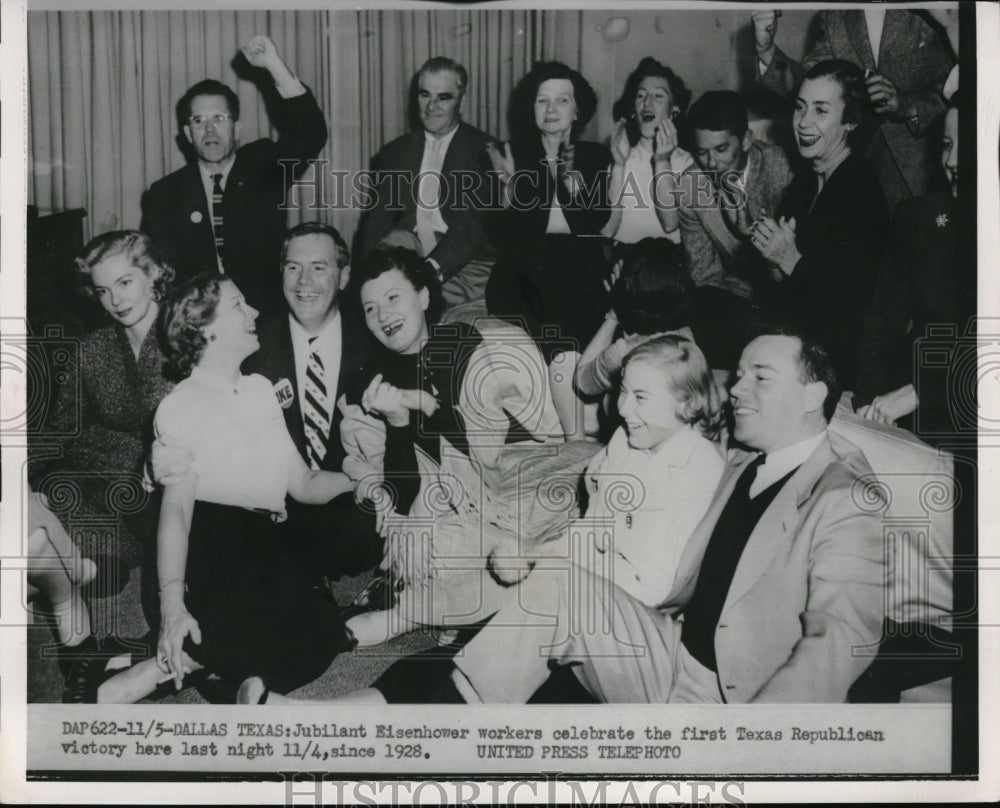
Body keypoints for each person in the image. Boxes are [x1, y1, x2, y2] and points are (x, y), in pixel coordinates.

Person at [234, 334, 725, 705]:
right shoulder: (628, 441)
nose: (621, 408)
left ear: (686, 403)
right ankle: (343, 665)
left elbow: (650, 589)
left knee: (479, 649)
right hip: (576, 586)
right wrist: (538, 555)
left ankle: (342, 687)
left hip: (623, 623)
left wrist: (546, 568)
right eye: (623, 392)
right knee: (481, 615)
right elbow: (589, 531)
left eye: (640, 397)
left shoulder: (696, 469)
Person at [63, 275, 356, 703]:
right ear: (204, 328)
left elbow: (304, 483)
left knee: (325, 627)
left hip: (265, 540)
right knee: (287, 598)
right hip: (210, 540)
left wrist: (359, 478)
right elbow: (177, 513)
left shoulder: (260, 390)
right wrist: (172, 604)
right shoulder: (181, 405)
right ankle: (149, 676)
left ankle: (189, 669)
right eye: (239, 305)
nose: (255, 312)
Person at [337, 247, 582, 647]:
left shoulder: (471, 344)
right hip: (448, 511)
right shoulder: (368, 386)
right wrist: (399, 423)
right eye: (370, 308)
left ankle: (429, 613)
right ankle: (464, 609)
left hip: (515, 487)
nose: (383, 315)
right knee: (437, 541)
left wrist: (428, 405)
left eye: (393, 297)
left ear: (423, 297)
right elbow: (401, 497)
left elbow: (510, 447)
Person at [141, 35, 328, 313]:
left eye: (219, 118)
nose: (210, 130)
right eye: (199, 121)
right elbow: (162, 273)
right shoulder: (165, 194)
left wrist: (273, 64)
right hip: (200, 317)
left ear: (237, 128)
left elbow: (311, 133)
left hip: (269, 314)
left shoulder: (264, 165)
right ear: (188, 134)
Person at [29, 231, 176, 567]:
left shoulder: (186, 338)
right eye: (102, 291)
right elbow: (61, 428)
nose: (115, 301)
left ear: (153, 273)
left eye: (124, 283)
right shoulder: (92, 348)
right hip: (86, 475)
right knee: (35, 517)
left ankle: (93, 562)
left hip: (149, 487)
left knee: (59, 545)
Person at [484, 61, 611, 439]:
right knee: (559, 309)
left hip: (578, 265)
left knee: (581, 299)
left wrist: (572, 188)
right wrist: (508, 191)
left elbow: (595, 226)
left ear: (578, 109)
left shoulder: (595, 158)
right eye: (543, 100)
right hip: (525, 270)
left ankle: (586, 414)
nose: (552, 109)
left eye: (562, 100)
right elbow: (503, 235)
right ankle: (576, 434)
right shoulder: (512, 154)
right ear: (532, 108)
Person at [750, 60, 888, 390]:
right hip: (799, 339)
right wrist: (773, 258)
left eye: (821, 110)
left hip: (838, 359)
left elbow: (850, 305)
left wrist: (789, 260)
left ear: (850, 121)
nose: (803, 122)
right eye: (800, 107)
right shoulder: (804, 183)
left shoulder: (861, 192)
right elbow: (787, 287)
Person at [752, 8, 953, 212]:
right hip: (859, 168)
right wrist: (767, 51)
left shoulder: (938, 11)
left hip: (928, 165)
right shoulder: (834, 15)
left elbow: (961, 85)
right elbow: (811, 85)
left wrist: (908, 107)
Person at [854, 95, 964, 441]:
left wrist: (921, 392)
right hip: (910, 399)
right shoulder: (918, 218)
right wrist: (868, 405)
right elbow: (882, 321)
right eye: (947, 145)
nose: (953, 161)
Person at [575, 238, 759, 431]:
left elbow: (582, 381)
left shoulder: (624, 351)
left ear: (626, 286)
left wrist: (614, 312)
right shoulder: (692, 334)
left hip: (640, 430)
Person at [358, 57, 494, 307]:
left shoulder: (485, 151)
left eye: (444, 97)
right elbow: (376, 223)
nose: (432, 106)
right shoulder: (394, 153)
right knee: (396, 242)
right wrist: (364, 276)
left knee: (403, 298)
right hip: (411, 256)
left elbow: (470, 227)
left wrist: (427, 273)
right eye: (425, 95)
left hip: (467, 266)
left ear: (462, 101)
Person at [678, 90, 794, 299]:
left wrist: (751, 236)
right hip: (733, 297)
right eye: (702, 153)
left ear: (747, 140)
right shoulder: (690, 187)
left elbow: (797, 269)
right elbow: (704, 276)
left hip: (787, 292)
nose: (711, 163)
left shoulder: (783, 169)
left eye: (721, 149)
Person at [603, 58, 693, 247]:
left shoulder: (689, 163)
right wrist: (618, 166)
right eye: (640, 95)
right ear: (633, 110)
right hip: (625, 259)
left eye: (658, 95)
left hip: (670, 261)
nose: (647, 102)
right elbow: (607, 231)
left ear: (674, 109)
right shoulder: (620, 161)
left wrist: (662, 161)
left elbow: (670, 224)